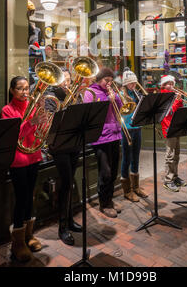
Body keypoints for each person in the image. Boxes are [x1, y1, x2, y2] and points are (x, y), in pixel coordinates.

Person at [1, 76, 47, 262]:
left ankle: (29, 236)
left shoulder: (33, 106)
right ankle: (17, 243)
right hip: (18, 160)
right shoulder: (7, 110)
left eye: (27, 88)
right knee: (21, 199)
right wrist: (31, 122)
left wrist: (43, 116)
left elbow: (41, 129)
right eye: (20, 88)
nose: (25, 92)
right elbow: (13, 136)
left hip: (34, 156)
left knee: (30, 197)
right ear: (12, 90)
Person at [47, 69, 83, 246]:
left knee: (69, 182)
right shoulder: (50, 97)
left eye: (69, 80)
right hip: (59, 146)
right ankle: (62, 227)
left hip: (74, 144)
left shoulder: (74, 95)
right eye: (64, 81)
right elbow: (51, 122)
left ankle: (69, 220)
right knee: (66, 183)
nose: (67, 84)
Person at [83, 67, 122, 218]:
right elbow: (93, 113)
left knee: (113, 172)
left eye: (111, 81)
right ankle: (104, 204)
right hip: (101, 137)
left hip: (115, 133)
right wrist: (108, 100)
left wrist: (116, 98)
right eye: (106, 80)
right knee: (105, 172)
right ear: (99, 79)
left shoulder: (110, 91)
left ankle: (109, 200)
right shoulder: (91, 92)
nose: (109, 83)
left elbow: (118, 108)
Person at [120, 68, 148, 202]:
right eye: (131, 83)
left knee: (136, 157)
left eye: (135, 83)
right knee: (126, 158)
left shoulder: (136, 93)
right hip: (127, 128)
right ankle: (127, 190)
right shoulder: (121, 94)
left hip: (137, 128)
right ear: (125, 84)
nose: (134, 85)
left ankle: (136, 186)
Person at [159, 75, 186, 192]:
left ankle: (174, 176)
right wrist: (176, 102)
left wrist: (179, 101)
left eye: (172, 83)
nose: (171, 85)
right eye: (168, 83)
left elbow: (178, 110)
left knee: (177, 154)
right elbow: (168, 112)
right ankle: (168, 179)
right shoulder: (162, 97)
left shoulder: (173, 95)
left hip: (176, 125)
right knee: (170, 155)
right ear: (163, 85)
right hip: (168, 127)